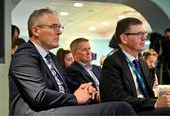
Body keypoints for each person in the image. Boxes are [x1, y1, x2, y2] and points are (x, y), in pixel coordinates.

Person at [8, 8, 136, 115]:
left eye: (59, 27)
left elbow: (66, 83)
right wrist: (75, 97)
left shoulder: (51, 57)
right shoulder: (25, 54)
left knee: (121, 105)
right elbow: (38, 96)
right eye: (54, 27)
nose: (59, 32)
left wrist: (83, 88)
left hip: (57, 109)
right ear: (36, 31)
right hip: (36, 113)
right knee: (120, 108)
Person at [99, 17, 170, 115]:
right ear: (124, 38)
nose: (144, 38)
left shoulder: (142, 63)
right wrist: (156, 103)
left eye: (144, 34)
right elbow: (117, 98)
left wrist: (168, 100)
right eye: (139, 34)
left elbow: (148, 95)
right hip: (128, 112)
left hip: (145, 109)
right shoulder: (112, 62)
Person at [65, 38, 101, 102]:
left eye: (89, 49)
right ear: (74, 54)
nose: (88, 52)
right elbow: (87, 92)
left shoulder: (97, 68)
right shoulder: (71, 71)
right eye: (84, 50)